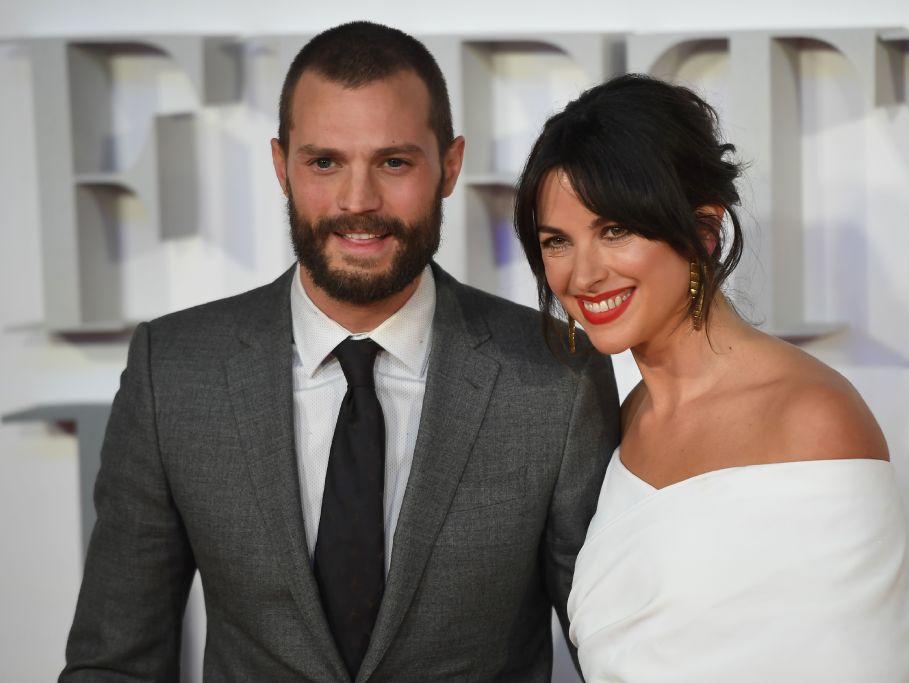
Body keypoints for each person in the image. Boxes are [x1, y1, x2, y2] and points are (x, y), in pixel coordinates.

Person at [61, 22, 619, 681]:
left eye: (394, 162)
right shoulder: (175, 371)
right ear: (281, 165)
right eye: (325, 162)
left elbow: (611, 651)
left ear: (450, 166)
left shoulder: (556, 374)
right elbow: (115, 663)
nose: (358, 203)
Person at [514, 74, 909, 682]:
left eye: (615, 230)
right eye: (557, 241)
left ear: (702, 229)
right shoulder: (626, 415)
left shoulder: (810, 420)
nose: (583, 274)